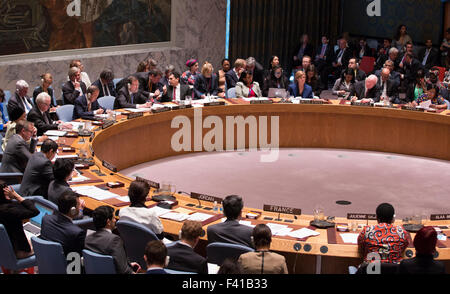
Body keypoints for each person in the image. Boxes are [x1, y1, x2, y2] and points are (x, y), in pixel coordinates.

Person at [85, 206, 141, 274]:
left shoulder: (87, 239)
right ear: (108, 222)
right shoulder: (114, 240)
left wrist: (128, 264)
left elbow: (102, 261)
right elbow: (124, 271)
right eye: (114, 218)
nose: (115, 220)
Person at [40, 190, 87, 256]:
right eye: (78, 205)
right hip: (67, 265)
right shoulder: (77, 233)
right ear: (72, 210)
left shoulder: (46, 219)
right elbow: (77, 259)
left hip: (46, 260)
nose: (79, 207)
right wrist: (81, 210)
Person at [0, 183, 39, 259]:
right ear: (4, 193)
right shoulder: (9, 211)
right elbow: (35, 211)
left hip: (5, 249)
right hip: (19, 251)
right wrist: (16, 196)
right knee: (43, 245)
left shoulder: (5, 208)